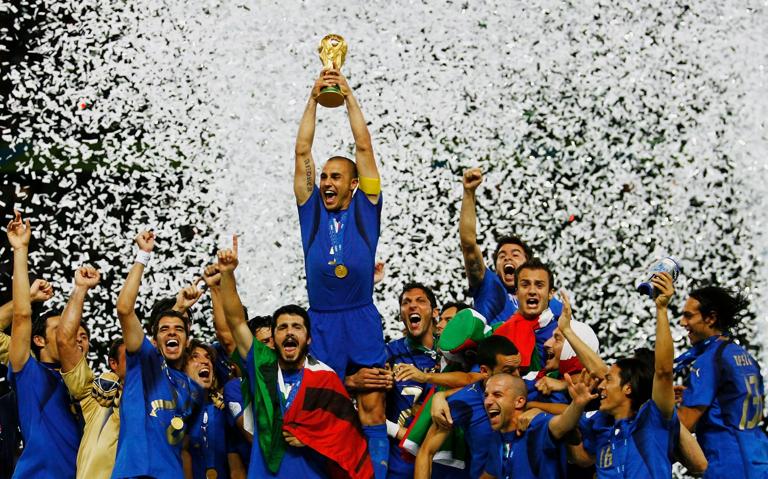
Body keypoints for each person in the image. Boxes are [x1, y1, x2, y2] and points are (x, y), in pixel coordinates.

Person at [294, 67, 388, 476]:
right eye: (325, 176)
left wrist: (348, 96)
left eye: (336, 176)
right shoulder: (311, 211)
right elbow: (302, 153)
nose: (327, 181)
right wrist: (313, 99)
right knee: (325, 405)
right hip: (323, 320)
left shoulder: (367, 212)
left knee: (371, 399)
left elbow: (364, 147)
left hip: (361, 314)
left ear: (353, 185)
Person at [216, 236, 373, 478]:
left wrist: (311, 438)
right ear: (275, 338)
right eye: (282, 327)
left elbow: (347, 437)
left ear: (308, 339)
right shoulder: (262, 367)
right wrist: (227, 274)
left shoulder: (324, 378)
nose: (289, 332)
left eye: (297, 327)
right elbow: (236, 322)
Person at [564, 275, 688, 477]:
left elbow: (664, 371)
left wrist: (662, 310)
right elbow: (580, 457)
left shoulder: (652, 419)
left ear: (628, 388)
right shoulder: (599, 424)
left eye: (609, 380)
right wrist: (575, 406)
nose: (601, 386)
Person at [111, 231, 203, 479]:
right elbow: (124, 309)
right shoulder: (144, 364)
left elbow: (183, 449)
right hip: (133, 474)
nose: (172, 333)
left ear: (187, 340)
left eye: (178, 330)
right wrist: (143, 255)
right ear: (153, 339)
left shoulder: (192, 388)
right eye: (164, 330)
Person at [5, 210, 80, 478]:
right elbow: (23, 317)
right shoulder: (30, 374)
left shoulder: (89, 385)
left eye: (77, 332)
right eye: (61, 330)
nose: (70, 335)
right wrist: (21, 250)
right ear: (39, 340)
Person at [675, 286, 768, 478]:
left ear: (711, 318)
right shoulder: (745, 356)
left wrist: (659, 405)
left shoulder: (709, 360)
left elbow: (685, 424)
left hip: (728, 466)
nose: (682, 322)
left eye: (688, 316)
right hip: (759, 461)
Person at [459, 168, 562, 329]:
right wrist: (469, 192)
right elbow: (468, 244)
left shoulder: (551, 304)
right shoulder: (489, 285)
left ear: (528, 263)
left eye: (515, 254)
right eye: (502, 255)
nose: (507, 258)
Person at [414, 335, 522, 479]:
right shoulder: (463, 401)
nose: (518, 376)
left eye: (518, 369)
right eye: (509, 370)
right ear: (484, 371)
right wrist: (440, 396)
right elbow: (425, 452)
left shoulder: (527, 389)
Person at [55, 265, 125, 479]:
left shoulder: (159, 402)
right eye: (129, 357)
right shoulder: (96, 396)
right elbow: (65, 342)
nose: (138, 362)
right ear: (113, 364)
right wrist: (80, 288)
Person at [483, 372, 597, 478]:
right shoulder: (497, 436)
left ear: (519, 402)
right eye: (486, 395)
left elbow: (563, 424)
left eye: (497, 395)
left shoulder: (537, 424)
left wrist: (577, 403)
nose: (488, 401)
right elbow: (490, 474)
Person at [493, 258, 559, 371]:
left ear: (550, 294)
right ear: (517, 293)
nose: (532, 291)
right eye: (525, 285)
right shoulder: (500, 332)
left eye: (539, 285)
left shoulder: (564, 333)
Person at [184, 340, 230, 479]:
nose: (205, 361)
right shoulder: (174, 413)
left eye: (208, 357)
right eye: (195, 356)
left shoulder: (226, 411)